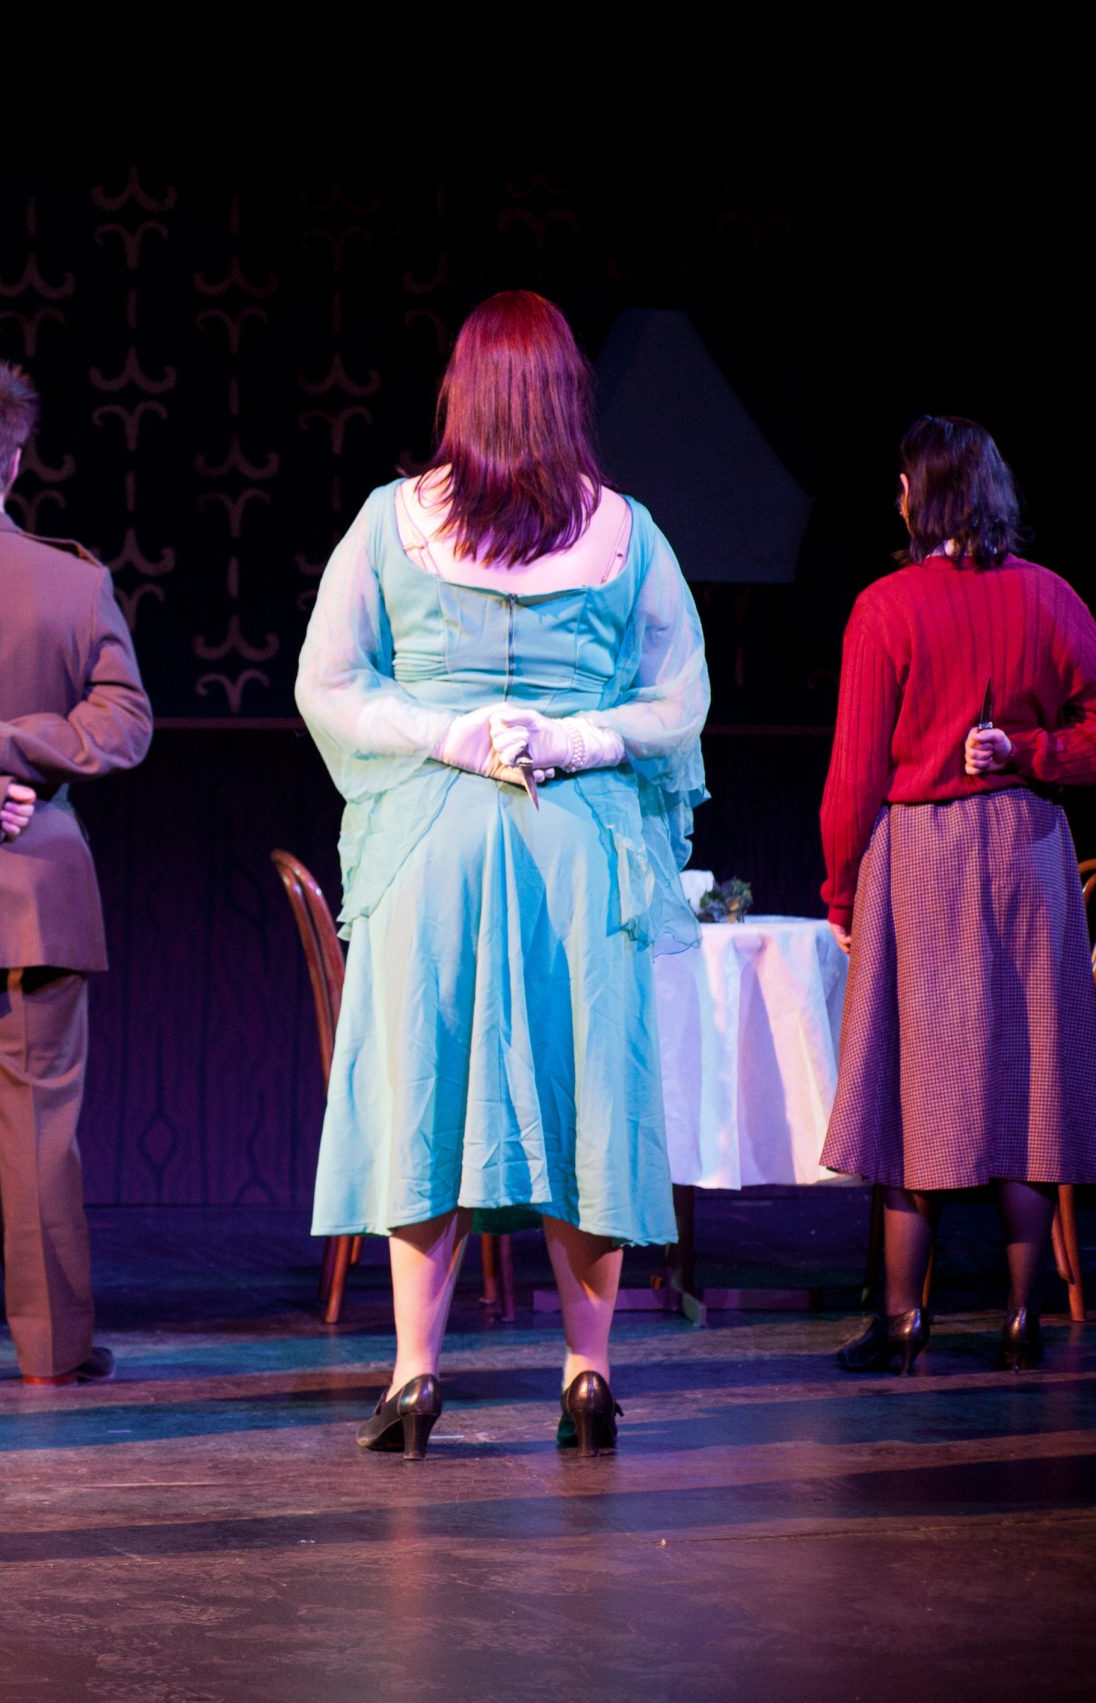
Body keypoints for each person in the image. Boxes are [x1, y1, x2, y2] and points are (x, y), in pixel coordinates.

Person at [295, 290, 709, 1459]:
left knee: (423, 1083)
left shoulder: (390, 521)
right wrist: (577, 735)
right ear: (568, 392)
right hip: (575, 847)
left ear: (461, 392)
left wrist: (445, 731)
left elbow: (328, 682)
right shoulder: (627, 531)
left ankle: (413, 1370)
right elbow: (678, 697)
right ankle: (587, 1368)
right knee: (589, 1093)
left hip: (433, 844)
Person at [818, 416, 1096, 1375]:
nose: (896, 496)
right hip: (1029, 851)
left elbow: (855, 774)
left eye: (903, 482)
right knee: (1027, 1086)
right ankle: (1022, 1316)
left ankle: (903, 1319)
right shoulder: (1053, 599)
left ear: (922, 496)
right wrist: (1034, 751)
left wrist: (841, 892)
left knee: (913, 1087)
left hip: (925, 855)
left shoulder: (885, 608)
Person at [0, 351, 152, 1389]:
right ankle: (52, 1351)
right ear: (13, 459)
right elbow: (123, 723)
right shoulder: (75, 578)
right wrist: (4, 761)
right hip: (35, 874)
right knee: (41, 1123)